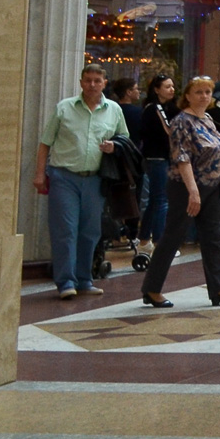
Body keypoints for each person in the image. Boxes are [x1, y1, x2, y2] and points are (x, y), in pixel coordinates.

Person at [139, 76, 220, 309]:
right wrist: (193, 192)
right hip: (186, 186)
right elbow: (182, 157)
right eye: (198, 92)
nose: (204, 96)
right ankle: (151, 288)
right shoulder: (182, 121)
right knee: (173, 236)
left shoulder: (207, 119)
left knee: (213, 238)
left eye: (207, 92)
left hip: (212, 185)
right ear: (187, 95)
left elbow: (212, 147)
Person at [33, 64, 128, 300]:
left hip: (95, 179)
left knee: (90, 231)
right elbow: (46, 142)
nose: (92, 84)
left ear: (105, 83)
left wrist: (114, 146)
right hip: (64, 176)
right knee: (65, 230)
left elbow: (124, 138)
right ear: (81, 82)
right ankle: (66, 281)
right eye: (88, 80)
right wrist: (39, 174)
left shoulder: (114, 109)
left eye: (97, 80)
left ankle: (85, 279)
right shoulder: (64, 108)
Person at [137, 74, 176, 247]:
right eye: (167, 86)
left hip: (154, 157)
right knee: (161, 200)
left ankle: (144, 238)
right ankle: (161, 242)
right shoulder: (156, 109)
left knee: (155, 200)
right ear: (156, 89)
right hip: (158, 157)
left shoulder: (158, 108)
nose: (172, 90)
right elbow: (168, 132)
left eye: (172, 86)